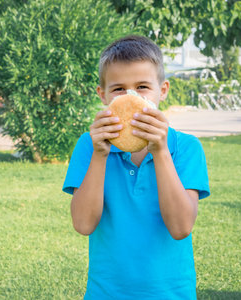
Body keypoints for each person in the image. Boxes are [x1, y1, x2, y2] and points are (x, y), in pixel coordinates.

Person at [62, 35, 210, 299]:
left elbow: (180, 227)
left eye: (142, 86)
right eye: (118, 89)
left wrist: (161, 151)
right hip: (105, 293)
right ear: (103, 95)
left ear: (162, 90)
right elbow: (83, 224)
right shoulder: (89, 145)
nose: (131, 95)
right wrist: (99, 155)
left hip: (171, 293)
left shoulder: (186, 148)